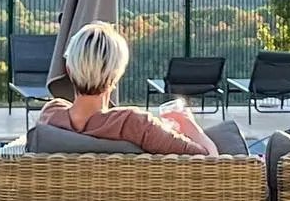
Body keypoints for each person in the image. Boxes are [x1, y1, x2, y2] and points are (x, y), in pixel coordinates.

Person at [38, 22, 218, 155]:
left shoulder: (51, 116)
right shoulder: (134, 124)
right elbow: (209, 160)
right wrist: (189, 124)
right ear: (116, 75)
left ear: (69, 70)